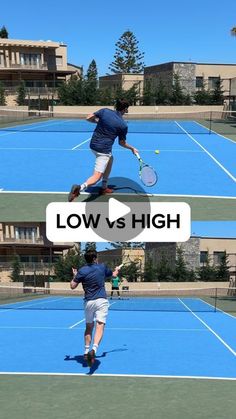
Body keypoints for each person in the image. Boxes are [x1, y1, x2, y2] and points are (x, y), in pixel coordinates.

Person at [68, 99, 138, 202]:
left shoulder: (105, 111)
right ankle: (79, 189)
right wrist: (132, 148)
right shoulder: (123, 125)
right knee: (97, 176)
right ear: (126, 109)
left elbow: (88, 118)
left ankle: (104, 188)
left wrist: (99, 122)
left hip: (93, 145)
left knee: (111, 159)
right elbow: (121, 143)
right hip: (103, 150)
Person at [70, 249, 120, 366]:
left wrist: (75, 275)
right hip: (101, 300)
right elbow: (113, 276)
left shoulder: (82, 271)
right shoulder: (102, 267)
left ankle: (86, 351)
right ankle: (94, 349)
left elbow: (72, 286)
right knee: (100, 325)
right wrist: (117, 270)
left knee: (88, 327)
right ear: (94, 258)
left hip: (88, 302)